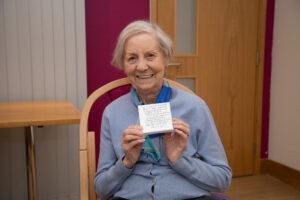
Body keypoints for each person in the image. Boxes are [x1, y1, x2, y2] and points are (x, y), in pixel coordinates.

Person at [94, 20, 232, 200]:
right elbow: (101, 190)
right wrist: (127, 162)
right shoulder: (112, 113)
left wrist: (179, 160)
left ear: (166, 58)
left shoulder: (195, 107)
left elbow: (222, 181)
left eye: (150, 55)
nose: (142, 66)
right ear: (123, 64)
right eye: (132, 58)